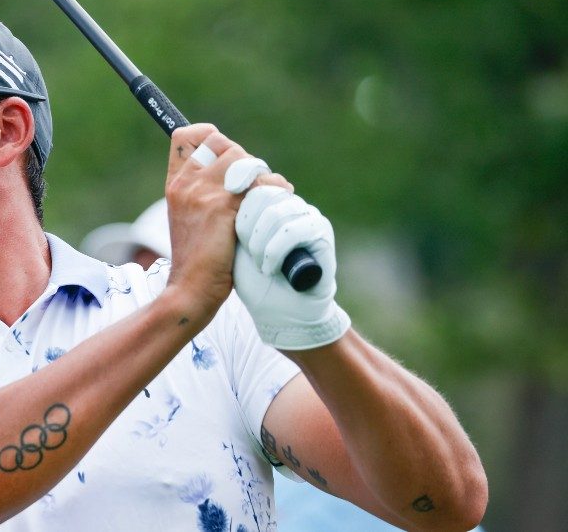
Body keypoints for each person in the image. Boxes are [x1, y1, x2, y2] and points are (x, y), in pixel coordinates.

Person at [0, 0, 487, 532]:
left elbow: (443, 503)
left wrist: (315, 328)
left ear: (7, 129)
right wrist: (181, 304)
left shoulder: (215, 329)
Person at [81, 200, 487, 532]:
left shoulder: (317, 442)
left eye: (167, 277)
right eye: (137, 280)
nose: (150, 306)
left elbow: (450, 504)